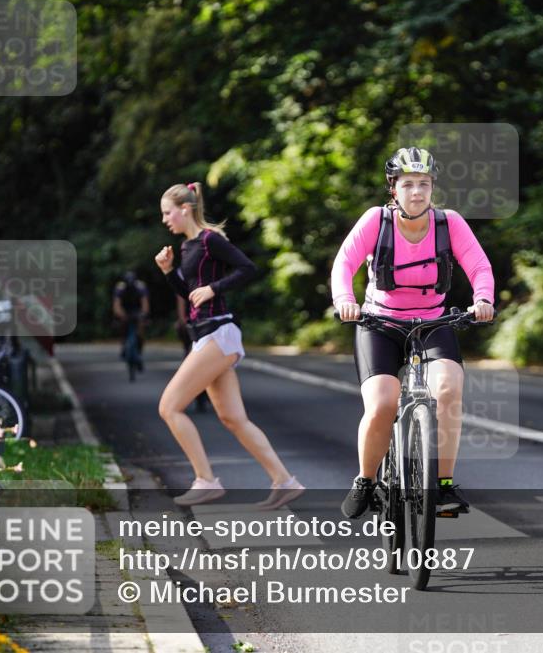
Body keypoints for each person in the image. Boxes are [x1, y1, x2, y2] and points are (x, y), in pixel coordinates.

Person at [331, 147, 495, 518]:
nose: (417, 192)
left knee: (449, 391)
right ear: (393, 188)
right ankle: (366, 480)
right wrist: (345, 300)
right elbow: (344, 263)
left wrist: (483, 299)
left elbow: (479, 267)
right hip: (380, 324)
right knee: (383, 403)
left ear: (433, 186)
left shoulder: (449, 223)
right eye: (408, 184)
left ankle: (444, 485)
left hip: (433, 323)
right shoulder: (376, 220)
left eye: (424, 183)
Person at [155, 182, 303, 508]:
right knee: (234, 418)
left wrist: (215, 288)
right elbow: (190, 295)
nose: (165, 220)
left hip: (219, 332)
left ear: (185, 209)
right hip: (204, 333)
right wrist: (168, 272)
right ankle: (285, 481)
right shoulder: (187, 246)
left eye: (167, 213)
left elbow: (248, 268)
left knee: (169, 407)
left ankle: (205, 480)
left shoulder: (210, 240)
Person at [175, 294, 210, 412]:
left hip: (207, 324)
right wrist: (182, 321)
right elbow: (181, 300)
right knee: (190, 359)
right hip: (191, 324)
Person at [112, 270, 149, 372]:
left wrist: (143, 314)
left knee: (141, 327)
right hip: (125, 310)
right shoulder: (120, 288)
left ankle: (139, 351)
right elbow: (116, 305)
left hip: (137, 310)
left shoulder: (141, 287)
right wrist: (121, 315)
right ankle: (123, 344)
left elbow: (145, 304)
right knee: (122, 324)